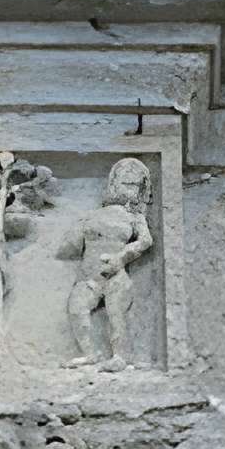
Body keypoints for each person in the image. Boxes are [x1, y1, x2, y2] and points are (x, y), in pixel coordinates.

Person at [57, 156, 154, 367]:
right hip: (87, 275)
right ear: (113, 183)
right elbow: (69, 248)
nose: (128, 190)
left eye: (133, 186)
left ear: (140, 190)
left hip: (115, 276)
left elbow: (146, 241)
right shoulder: (92, 215)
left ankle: (119, 356)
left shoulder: (135, 217)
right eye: (124, 183)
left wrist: (122, 256)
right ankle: (90, 353)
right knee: (76, 308)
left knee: (115, 314)